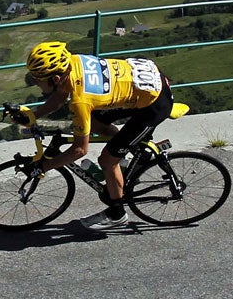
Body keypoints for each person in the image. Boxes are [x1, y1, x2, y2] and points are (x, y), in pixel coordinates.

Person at [12, 40, 173, 230]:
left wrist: (43, 167)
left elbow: (80, 150)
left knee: (107, 160)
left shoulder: (81, 101)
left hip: (154, 104)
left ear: (55, 79)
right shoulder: (73, 63)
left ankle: (117, 214)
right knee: (95, 122)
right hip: (142, 82)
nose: (34, 82)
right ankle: (130, 154)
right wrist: (33, 116)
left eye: (37, 78)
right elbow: (59, 97)